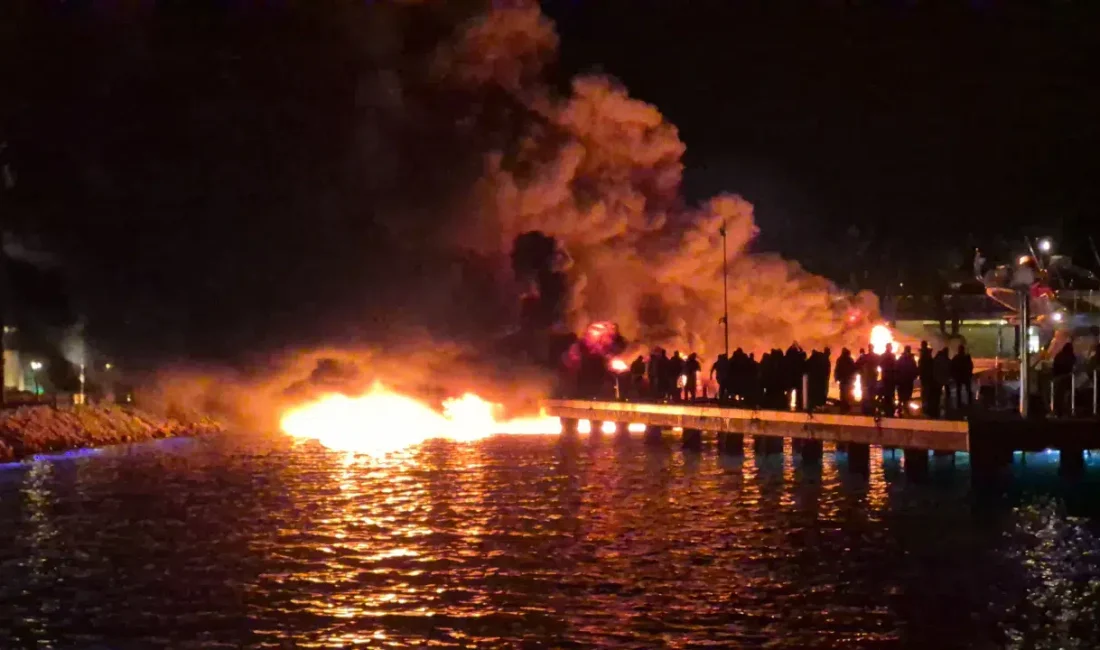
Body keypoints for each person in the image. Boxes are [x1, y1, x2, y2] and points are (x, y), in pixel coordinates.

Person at [1051, 342, 1076, 417]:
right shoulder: (1071, 356)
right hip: (1068, 377)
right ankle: (1065, 410)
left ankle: (1058, 411)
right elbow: (1073, 366)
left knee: (1058, 394)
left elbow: (1055, 366)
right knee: (1065, 394)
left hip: (1058, 377)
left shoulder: (1059, 355)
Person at [951, 344, 974, 412]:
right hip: (964, 376)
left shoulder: (957, 357)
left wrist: (954, 375)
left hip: (960, 376)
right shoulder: (966, 357)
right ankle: (969, 402)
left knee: (960, 390)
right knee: (967, 389)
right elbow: (970, 366)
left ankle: (960, 403)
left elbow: (952, 367)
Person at [896, 345, 918, 416]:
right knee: (906, 396)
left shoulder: (901, 359)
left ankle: (901, 410)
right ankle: (904, 410)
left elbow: (896, 369)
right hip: (907, 382)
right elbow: (915, 371)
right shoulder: (911, 360)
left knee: (902, 397)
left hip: (902, 381)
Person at [917, 341, 935, 417]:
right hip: (928, 377)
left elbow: (921, 366)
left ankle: (925, 408)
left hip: (925, 377)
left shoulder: (924, 357)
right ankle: (927, 408)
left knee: (925, 393)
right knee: (926, 393)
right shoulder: (928, 356)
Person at [933, 348, 952, 418]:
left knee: (940, 391)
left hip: (940, 378)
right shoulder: (944, 359)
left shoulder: (939, 358)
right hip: (942, 378)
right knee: (943, 391)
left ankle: (940, 403)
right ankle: (946, 402)